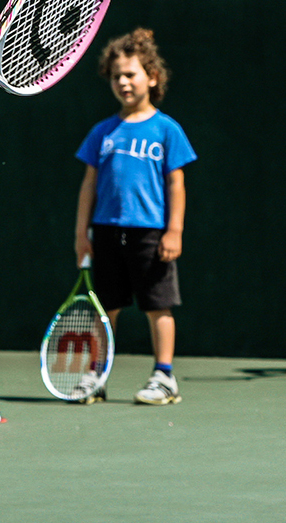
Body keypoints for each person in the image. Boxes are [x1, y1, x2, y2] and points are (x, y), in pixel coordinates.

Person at [72, 28, 195, 406]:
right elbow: (89, 185)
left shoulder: (167, 129)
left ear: (152, 77)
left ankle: (164, 376)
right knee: (105, 309)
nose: (123, 82)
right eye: (116, 76)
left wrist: (174, 231)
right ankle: (96, 375)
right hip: (107, 233)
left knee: (158, 306)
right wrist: (81, 234)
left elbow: (176, 184)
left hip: (150, 235)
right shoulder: (102, 132)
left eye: (130, 74)